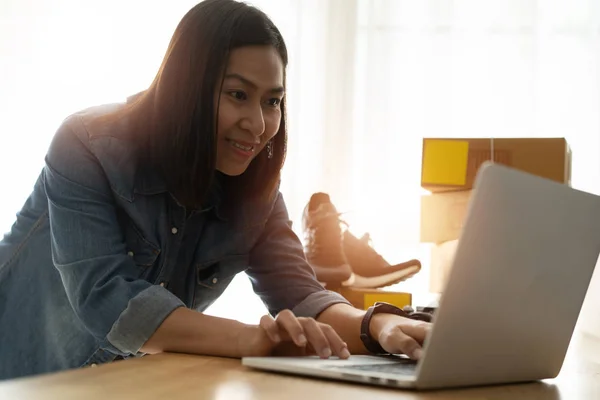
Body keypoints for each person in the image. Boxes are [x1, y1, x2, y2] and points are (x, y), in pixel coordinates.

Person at [0, 0, 430, 381]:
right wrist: (257, 340)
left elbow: (301, 295)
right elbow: (108, 302)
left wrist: (378, 328)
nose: (259, 125)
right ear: (187, 89)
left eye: (272, 101)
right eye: (238, 94)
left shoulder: (255, 187)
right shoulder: (87, 143)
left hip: (120, 384)